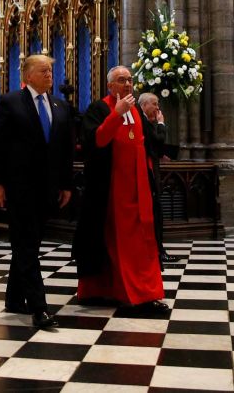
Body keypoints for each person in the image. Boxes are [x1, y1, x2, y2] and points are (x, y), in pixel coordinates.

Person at [0, 55, 74, 329]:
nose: (49, 74)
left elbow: (65, 151)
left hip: (47, 188)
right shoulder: (10, 102)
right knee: (26, 246)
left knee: (28, 245)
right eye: (43, 70)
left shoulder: (60, 106)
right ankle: (39, 308)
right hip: (19, 187)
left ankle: (14, 299)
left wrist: (66, 184)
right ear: (27, 76)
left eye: (51, 69)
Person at [73, 65, 168, 314]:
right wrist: (116, 114)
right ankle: (115, 292)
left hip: (139, 191)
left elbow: (148, 144)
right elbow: (94, 142)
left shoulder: (136, 110)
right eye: (121, 80)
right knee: (114, 246)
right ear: (110, 86)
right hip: (110, 191)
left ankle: (145, 293)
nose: (127, 84)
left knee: (141, 245)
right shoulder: (99, 108)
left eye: (130, 79)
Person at [138, 92, 180, 266]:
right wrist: (162, 123)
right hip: (147, 176)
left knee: (157, 215)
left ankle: (159, 250)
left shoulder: (146, 122)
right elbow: (159, 139)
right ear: (144, 105)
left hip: (151, 173)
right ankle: (158, 251)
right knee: (155, 214)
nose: (157, 108)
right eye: (154, 104)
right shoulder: (145, 123)